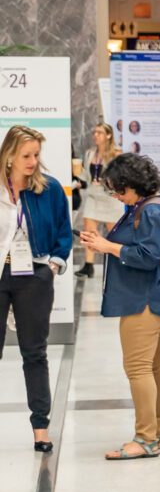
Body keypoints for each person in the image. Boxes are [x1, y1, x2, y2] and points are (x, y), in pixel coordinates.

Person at [81, 152, 160, 461]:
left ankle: (146, 439)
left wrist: (106, 246)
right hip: (154, 297)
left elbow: (147, 256)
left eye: (119, 189)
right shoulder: (151, 206)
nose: (116, 195)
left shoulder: (150, 212)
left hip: (145, 300)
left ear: (134, 185)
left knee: (138, 368)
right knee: (157, 366)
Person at [0, 129, 71, 454]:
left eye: (36, 155)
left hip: (34, 275)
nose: (33, 162)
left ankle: (40, 428)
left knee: (35, 352)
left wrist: (53, 265)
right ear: (9, 155)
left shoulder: (50, 188)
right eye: (26, 155)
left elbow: (62, 229)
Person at [78, 123, 122, 280]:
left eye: (100, 132)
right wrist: (79, 182)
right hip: (93, 195)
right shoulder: (90, 153)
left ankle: (118, 266)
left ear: (108, 135)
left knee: (115, 234)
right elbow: (85, 175)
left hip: (110, 197)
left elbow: (120, 176)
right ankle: (88, 266)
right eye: (94, 132)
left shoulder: (116, 154)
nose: (96, 135)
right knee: (88, 230)